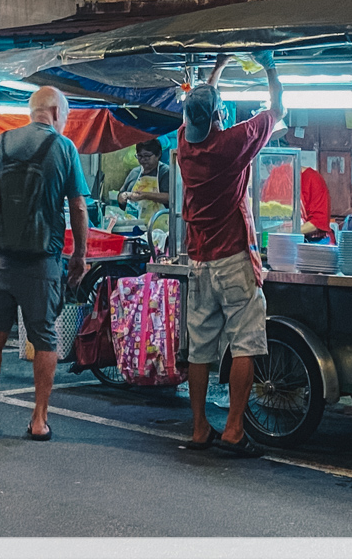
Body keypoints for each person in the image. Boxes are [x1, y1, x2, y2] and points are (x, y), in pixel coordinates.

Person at [176, 52, 283, 458]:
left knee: (200, 348)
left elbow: (202, 102)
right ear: (219, 115)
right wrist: (269, 66)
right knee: (246, 344)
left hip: (198, 262)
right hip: (234, 259)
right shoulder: (232, 144)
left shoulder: (187, 146)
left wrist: (218, 67)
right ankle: (234, 429)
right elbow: (278, 109)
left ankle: (200, 427)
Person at [0, 86, 89, 441]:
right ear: (54, 111)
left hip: (0, 259)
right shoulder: (64, 148)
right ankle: (39, 419)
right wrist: (80, 256)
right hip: (42, 262)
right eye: (65, 115)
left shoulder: (3, 142)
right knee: (44, 339)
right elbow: (79, 207)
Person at [117, 139, 170, 218]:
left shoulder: (165, 172)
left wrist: (145, 195)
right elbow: (121, 194)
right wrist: (122, 197)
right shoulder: (134, 172)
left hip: (158, 225)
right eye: (139, 156)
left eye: (147, 156)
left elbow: (169, 198)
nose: (142, 160)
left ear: (158, 155)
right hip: (133, 224)